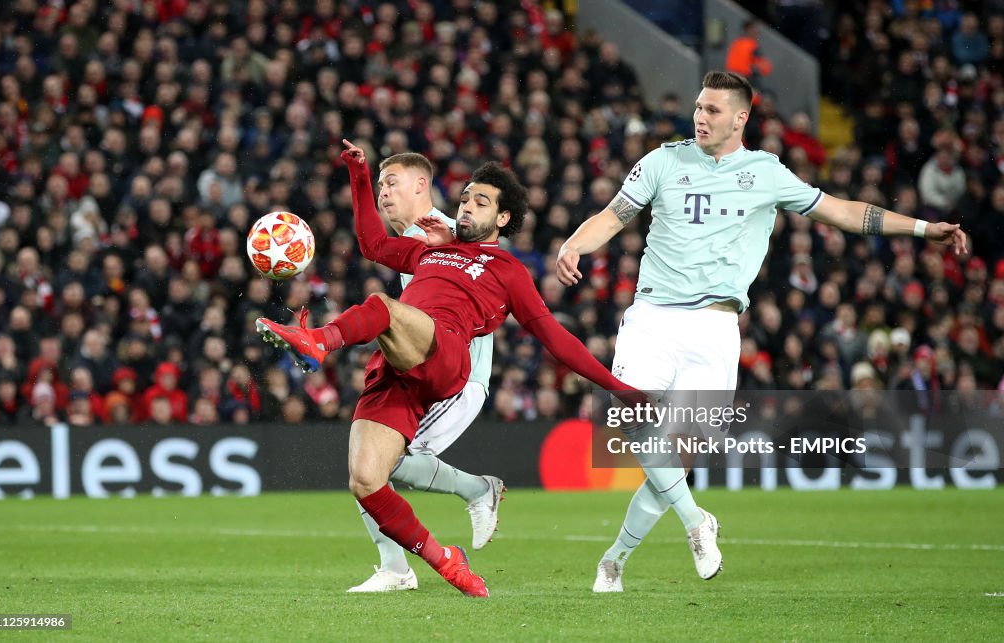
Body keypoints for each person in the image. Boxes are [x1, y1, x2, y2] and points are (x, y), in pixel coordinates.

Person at [555, 71, 968, 593]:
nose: (699, 117)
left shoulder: (766, 173)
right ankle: (695, 523)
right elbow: (613, 216)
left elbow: (841, 212)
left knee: (682, 457)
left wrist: (923, 228)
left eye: (711, 110)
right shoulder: (663, 160)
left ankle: (614, 559)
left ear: (740, 118)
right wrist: (574, 243)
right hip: (653, 316)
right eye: (698, 107)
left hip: (716, 327)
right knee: (634, 420)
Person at [257, 140, 642, 597]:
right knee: (366, 480)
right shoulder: (430, 251)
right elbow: (371, 243)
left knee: (383, 306)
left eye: (481, 201)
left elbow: (556, 340)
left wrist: (618, 387)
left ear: (501, 218)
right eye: (464, 198)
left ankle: (318, 340)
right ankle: (445, 561)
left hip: (445, 355)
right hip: (396, 367)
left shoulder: (507, 270)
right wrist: (358, 174)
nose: (466, 206)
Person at [345, 152, 503, 593]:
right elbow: (370, 240)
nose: (384, 193)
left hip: (457, 378)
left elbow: (492, 268)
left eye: (391, 183)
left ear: (420, 186)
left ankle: (475, 490)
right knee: (368, 464)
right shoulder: (416, 239)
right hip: (426, 373)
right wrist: (358, 177)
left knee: (381, 464)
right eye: (380, 186)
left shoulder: (451, 233)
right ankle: (395, 567)